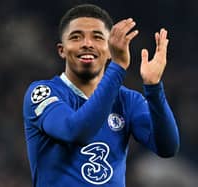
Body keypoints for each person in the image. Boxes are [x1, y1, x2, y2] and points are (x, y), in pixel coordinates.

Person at [23, 4, 180, 187]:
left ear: (109, 50)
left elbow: (167, 147)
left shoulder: (128, 100)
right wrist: (118, 67)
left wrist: (154, 88)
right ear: (62, 50)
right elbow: (75, 130)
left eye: (97, 37)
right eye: (76, 37)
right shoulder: (43, 93)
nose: (87, 44)